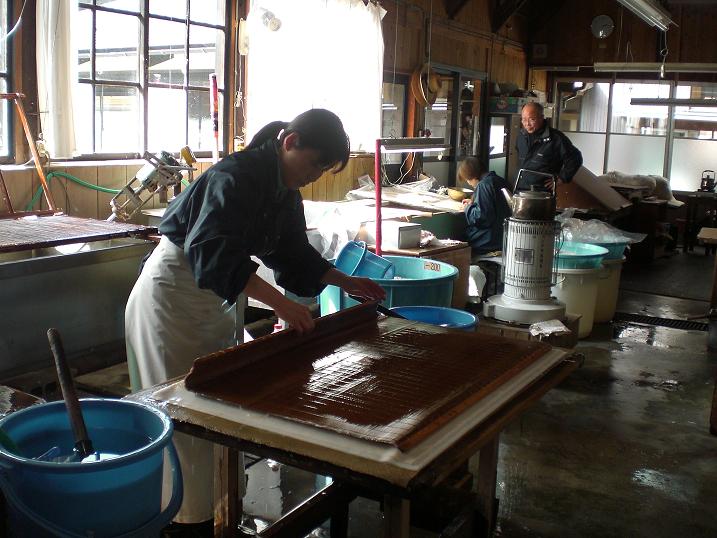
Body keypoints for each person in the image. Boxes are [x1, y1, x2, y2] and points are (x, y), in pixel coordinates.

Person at [125, 108, 386, 535]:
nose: (314, 176)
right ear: (290, 142)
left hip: (214, 302)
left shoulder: (284, 191)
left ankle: (218, 512)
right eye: (315, 164)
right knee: (180, 418)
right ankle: (180, 522)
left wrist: (347, 280)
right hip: (171, 300)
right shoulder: (235, 176)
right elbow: (213, 253)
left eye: (323, 170)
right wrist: (282, 305)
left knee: (217, 410)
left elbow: (293, 254)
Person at [515, 102, 583, 192]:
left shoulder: (556, 138)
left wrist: (562, 178)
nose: (527, 124)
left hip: (543, 193)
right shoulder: (521, 136)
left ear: (541, 118)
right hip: (521, 190)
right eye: (524, 119)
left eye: (532, 119)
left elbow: (575, 158)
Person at [460, 156, 511, 256]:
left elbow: (481, 217)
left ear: (472, 175)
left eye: (467, 179)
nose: (468, 183)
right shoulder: (501, 181)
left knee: (459, 241)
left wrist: (467, 208)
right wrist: (474, 202)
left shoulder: (483, 185)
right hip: (504, 237)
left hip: (489, 240)